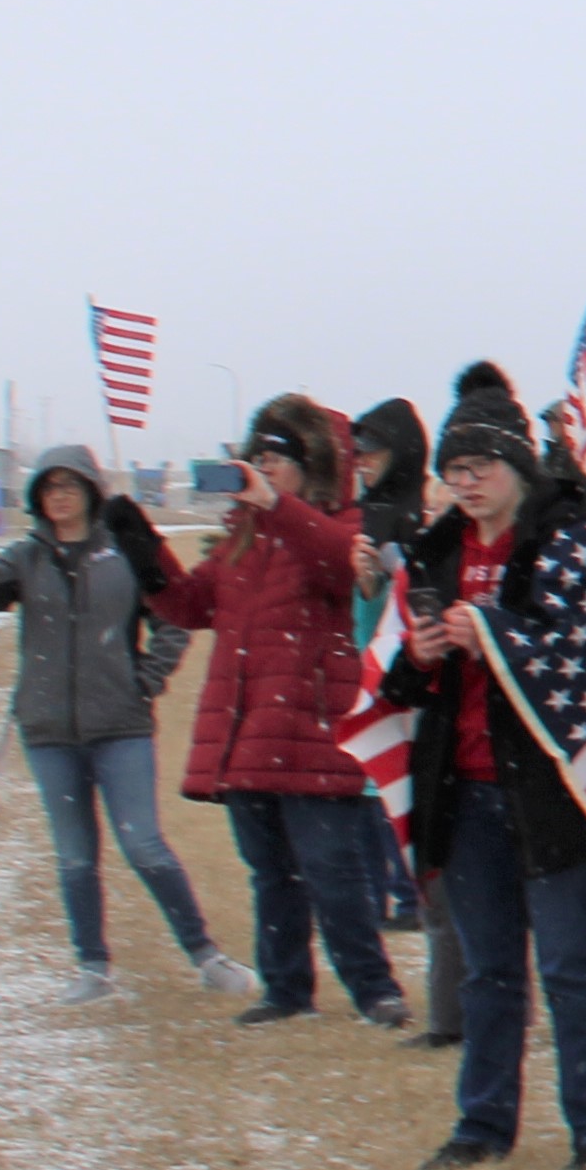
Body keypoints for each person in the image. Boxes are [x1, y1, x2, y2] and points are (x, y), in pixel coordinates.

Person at [394, 380, 586, 1170]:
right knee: (490, 970)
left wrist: (495, 631)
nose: (466, 483)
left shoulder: (572, 542)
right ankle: (482, 1125)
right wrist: (420, 658)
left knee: (570, 964)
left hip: (551, 791)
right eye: (453, 468)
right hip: (463, 790)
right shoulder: (438, 551)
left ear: (516, 465)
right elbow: (404, 684)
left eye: (480, 466)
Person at [0, 448, 257, 1005]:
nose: (60, 495)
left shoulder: (122, 551)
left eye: (71, 485)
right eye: (50, 487)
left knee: (145, 845)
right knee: (74, 856)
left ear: (93, 490)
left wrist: (143, 680)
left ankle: (204, 953)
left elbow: (172, 618)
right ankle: (93, 966)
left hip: (121, 726)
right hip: (49, 731)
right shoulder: (27, 556)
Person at [174, 393, 415, 1032]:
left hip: (310, 731)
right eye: (257, 456)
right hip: (248, 731)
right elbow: (189, 605)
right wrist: (141, 552)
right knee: (271, 876)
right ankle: (286, 989)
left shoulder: (340, 525)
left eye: (276, 458)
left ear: (310, 466)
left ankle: (374, 990)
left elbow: (342, 564)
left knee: (334, 878)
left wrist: (275, 506)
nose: (263, 468)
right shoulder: (241, 540)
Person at [347, 396, 446, 976]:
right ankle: (380, 897)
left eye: (372, 451)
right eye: (356, 452)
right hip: (369, 661)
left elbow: (423, 593)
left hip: (411, 672)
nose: (361, 462)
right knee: (367, 788)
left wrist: (393, 565)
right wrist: (364, 579)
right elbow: (366, 605)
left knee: (397, 790)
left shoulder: (421, 514)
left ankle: (410, 896)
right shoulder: (366, 512)